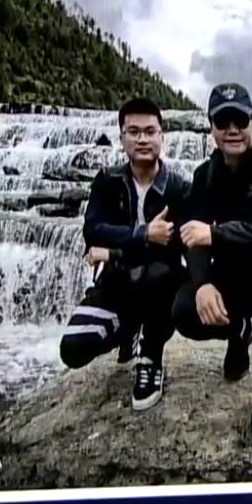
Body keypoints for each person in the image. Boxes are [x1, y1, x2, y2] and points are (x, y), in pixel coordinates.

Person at [171, 81, 252, 438]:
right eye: (223, 121)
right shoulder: (205, 176)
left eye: (240, 120)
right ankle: (239, 331)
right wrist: (202, 284)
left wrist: (219, 233)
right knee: (184, 310)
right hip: (229, 280)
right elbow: (191, 237)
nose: (232, 129)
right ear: (211, 128)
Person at [60, 97, 191, 412]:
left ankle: (151, 358)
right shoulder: (108, 181)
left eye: (149, 131)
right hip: (117, 285)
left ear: (162, 136)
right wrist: (142, 235)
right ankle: (128, 328)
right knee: (74, 349)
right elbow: (92, 231)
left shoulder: (178, 189)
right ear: (121, 138)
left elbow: (176, 247)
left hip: (162, 288)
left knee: (159, 272)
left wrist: (110, 251)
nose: (142, 139)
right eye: (133, 131)